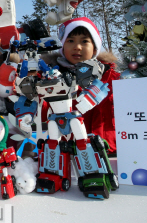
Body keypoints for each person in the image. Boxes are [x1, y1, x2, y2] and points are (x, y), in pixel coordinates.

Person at [51, 17, 119, 154]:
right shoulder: (54, 79)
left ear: (95, 47)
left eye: (84, 41)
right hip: (72, 153)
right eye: (70, 41)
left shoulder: (113, 78)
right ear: (63, 46)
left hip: (113, 152)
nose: (77, 47)